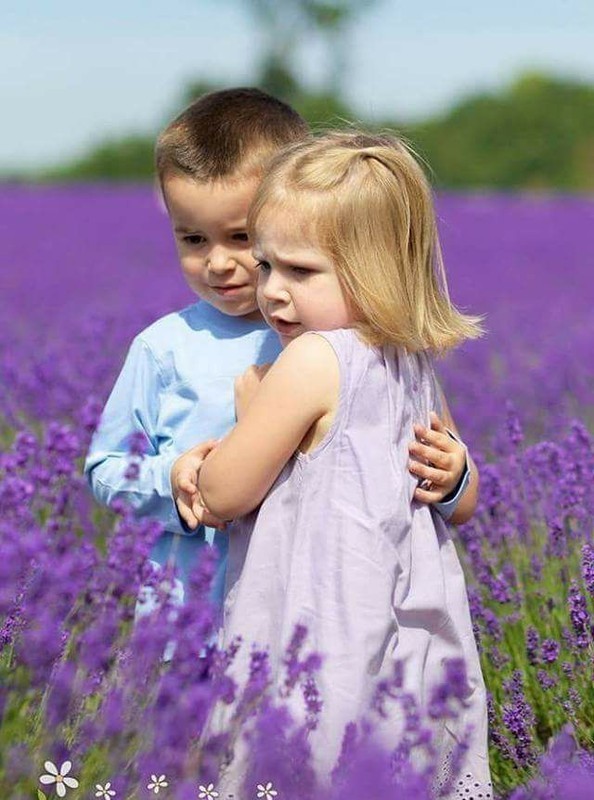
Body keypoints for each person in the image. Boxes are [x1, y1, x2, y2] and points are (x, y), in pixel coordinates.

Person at [188, 132, 492, 796]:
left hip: (317, 640)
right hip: (404, 645)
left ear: (377, 270)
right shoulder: (410, 364)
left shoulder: (311, 361)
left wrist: (236, 431)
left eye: (300, 271)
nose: (273, 293)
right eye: (266, 265)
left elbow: (228, 493)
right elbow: (460, 504)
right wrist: (460, 474)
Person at [84, 87, 309, 612]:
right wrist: (169, 477)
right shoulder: (165, 349)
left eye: (240, 236)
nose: (217, 263)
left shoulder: (324, 339)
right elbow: (106, 468)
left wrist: (450, 476)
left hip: (295, 617)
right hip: (189, 617)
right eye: (192, 240)